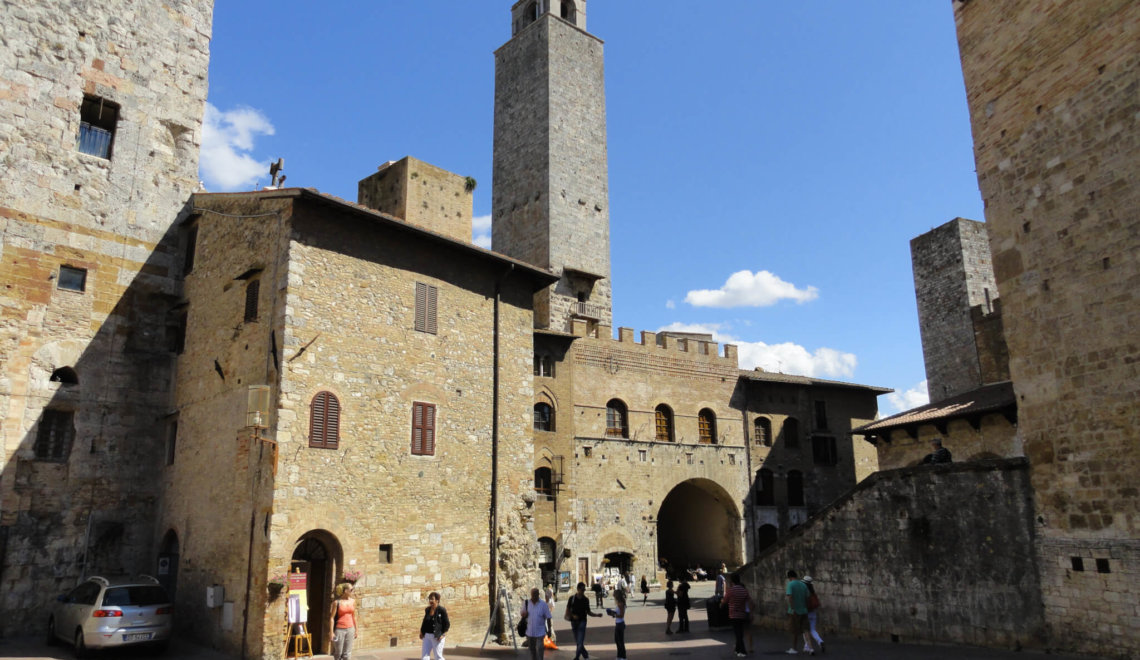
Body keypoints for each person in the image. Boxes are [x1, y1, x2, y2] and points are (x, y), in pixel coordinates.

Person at [565, 581, 603, 660]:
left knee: (580, 641)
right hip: (574, 622)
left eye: (584, 590)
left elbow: (588, 612)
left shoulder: (586, 600)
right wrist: (572, 616)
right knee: (578, 642)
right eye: (582, 590)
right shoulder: (572, 599)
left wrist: (596, 615)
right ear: (578, 589)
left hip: (582, 622)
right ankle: (585, 655)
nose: (583, 591)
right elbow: (568, 610)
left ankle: (577, 657)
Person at [721, 573, 750, 658]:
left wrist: (721, 605)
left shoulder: (731, 590)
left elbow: (724, 601)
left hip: (733, 614)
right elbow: (750, 601)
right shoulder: (744, 590)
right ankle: (737, 649)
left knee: (738, 633)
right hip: (742, 614)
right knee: (740, 632)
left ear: (732, 581)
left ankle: (742, 651)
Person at [328, 582, 360, 660]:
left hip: (350, 629)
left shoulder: (353, 601)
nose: (353, 591)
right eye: (351, 590)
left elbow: (354, 616)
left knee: (347, 653)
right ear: (345, 591)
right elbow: (332, 618)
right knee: (338, 653)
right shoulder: (337, 602)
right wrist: (331, 632)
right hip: (339, 630)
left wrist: (356, 630)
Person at [418, 591, 450, 660]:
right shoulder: (427, 609)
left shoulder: (441, 610)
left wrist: (442, 634)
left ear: (437, 600)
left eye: (432, 599)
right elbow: (425, 622)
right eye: (430, 599)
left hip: (437, 636)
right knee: (424, 657)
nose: (430, 601)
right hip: (427, 636)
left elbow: (447, 624)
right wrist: (421, 632)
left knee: (438, 657)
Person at [785, 570, 810, 655]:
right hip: (804, 610)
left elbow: (790, 597)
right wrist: (805, 607)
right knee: (806, 629)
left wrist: (792, 608)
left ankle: (794, 648)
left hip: (795, 612)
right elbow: (807, 598)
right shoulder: (803, 585)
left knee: (794, 631)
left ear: (789, 577)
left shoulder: (790, 584)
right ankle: (810, 647)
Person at [524, 587, 552, 660]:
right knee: (532, 651)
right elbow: (522, 614)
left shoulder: (543, 605)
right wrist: (524, 614)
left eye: (536, 595)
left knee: (540, 650)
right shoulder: (527, 603)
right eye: (533, 595)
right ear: (531, 595)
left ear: (538, 595)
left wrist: (549, 629)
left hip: (540, 632)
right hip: (530, 632)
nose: (534, 597)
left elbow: (548, 617)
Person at [802, 576, 825, 654]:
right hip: (813, 613)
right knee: (812, 630)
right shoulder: (813, 592)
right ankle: (820, 641)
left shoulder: (804, 592)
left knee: (805, 630)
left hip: (806, 613)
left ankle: (807, 646)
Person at [606, 588, 627, 660]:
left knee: (620, 641)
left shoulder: (621, 604)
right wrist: (613, 613)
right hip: (618, 623)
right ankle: (619, 656)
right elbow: (618, 614)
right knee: (617, 641)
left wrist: (614, 614)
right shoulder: (619, 603)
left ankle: (623, 656)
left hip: (620, 624)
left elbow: (621, 615)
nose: (613, 596)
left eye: (614, 594)